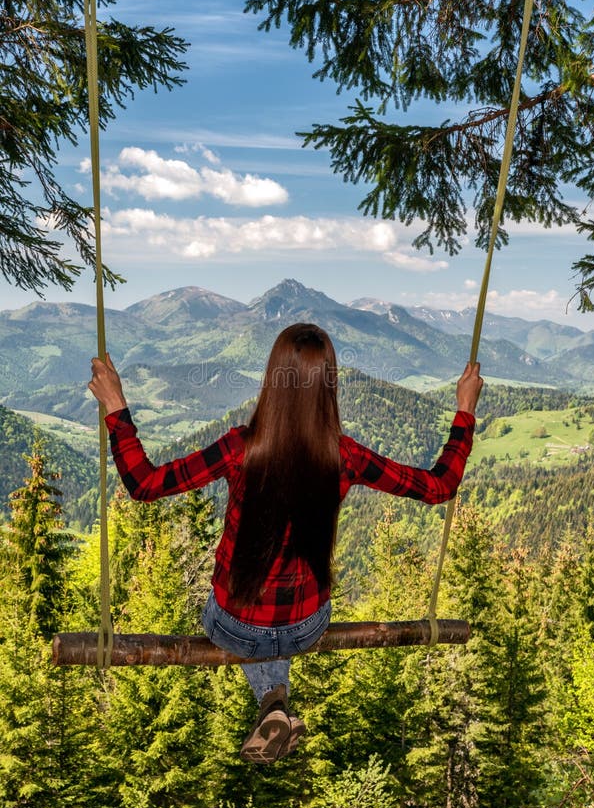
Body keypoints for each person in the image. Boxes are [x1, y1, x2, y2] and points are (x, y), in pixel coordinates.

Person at [88, 323, 483, 765]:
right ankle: (273, 699)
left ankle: (273, 698)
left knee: (250, 625)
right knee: (277, 633)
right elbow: (438, 486)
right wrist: (464, 410)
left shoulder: (240, 448)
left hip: (232, 627)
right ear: (329, 385)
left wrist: (115, 405)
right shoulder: (344, 455)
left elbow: (144, 483)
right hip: (306, 628)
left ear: (272, 379)